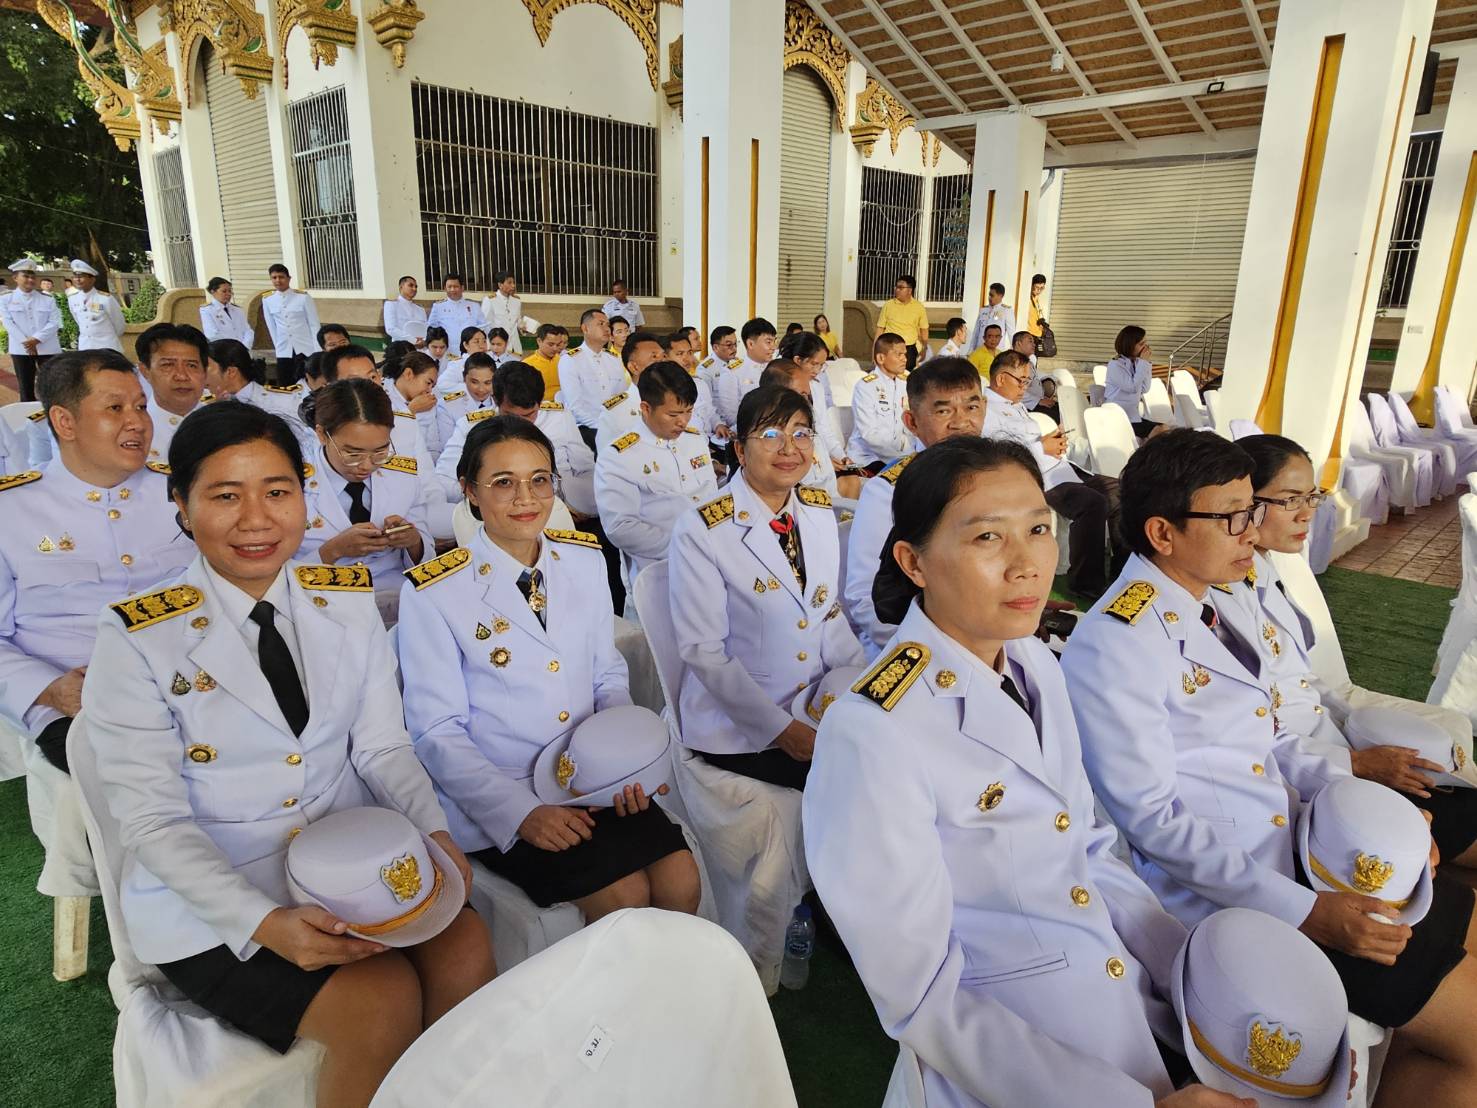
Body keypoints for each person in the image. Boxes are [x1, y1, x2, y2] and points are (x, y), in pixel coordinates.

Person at [803, 436, 1236, 1108]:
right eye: (986, 539)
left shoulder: (1030, 660)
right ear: (913, 561)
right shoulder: (871, 729)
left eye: (1038, 530)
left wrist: (1194, 976)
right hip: (1019, 1057)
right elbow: (919, 997)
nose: (1027, 564)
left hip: (1121, 995)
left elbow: (1086, 846)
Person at [82, 401, 491, 1102]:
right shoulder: (138, 636)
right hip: (213, 904)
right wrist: (262, 922)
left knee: (465, 946)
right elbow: (152, 822)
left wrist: (434, 831)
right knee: (380, 996)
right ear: (180, 504)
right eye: (224, 495)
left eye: (276, 491)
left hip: (349, 865)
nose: (257, 519)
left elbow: (384, 747)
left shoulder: (344, 598)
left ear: (303, 495)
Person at [1062, 430, 1477, 1103]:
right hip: (1240, 908)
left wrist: (1384, 825)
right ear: (1162, 533)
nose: (1249, 530)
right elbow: (1153, 825)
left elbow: (1275, 746)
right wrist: (1306, 911)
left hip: (1302, 858)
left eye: (1248, 510)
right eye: (1230, 516)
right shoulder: (1115, 643)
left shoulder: (1211, 603)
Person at [398, 415, 700, 921]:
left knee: (681, 879)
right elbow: (437, 731)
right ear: (469, 491)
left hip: (594, 777)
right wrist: (522, 814)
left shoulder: (582, 560)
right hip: (507, 795)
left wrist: (619, 761)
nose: (526, 498)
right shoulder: (435, 592)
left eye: (540, 480)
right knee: (624, 897)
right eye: (503, 483)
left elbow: (606, 674)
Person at [1234, 433, 1477, 874]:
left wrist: (1360, 735)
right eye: (1291, 499)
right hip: (1310, 784)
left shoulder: (1264, 572)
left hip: (1332, 753)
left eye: (1312, 495)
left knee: (1463, 803)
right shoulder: (1224, 598)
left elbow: (1302, 681)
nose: (1309, 512)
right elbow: (1252, 734)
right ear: (1242, 501)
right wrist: (1358, 765)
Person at [0, 349, 195, 772]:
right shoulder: (10, 511)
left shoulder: (183, 493)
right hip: (75, 700)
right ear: (64, 421)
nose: (137, 422)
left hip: (195, 678)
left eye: (141, 407)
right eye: (115, 408)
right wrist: (48, 689)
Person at [670, 385, 864, 790]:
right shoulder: (703, 529)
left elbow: (827, 614)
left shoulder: (815, 510)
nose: (789, 448)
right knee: (853, 787)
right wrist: (780, 730)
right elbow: (704, 651)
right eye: (771, 435)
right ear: (740, 450)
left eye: (801, 433)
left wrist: (863, 686)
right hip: (739, 727)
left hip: (816, 705)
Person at [844, 357, 985, 657]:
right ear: (912, 422)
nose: (961, 422)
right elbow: (865, 598)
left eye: (971, 407)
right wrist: (941, 650)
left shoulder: (997, 478)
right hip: (916, 650)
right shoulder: (890, 492)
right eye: (944, 410)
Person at [986, 350, 1120, 599]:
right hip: (1036, 479)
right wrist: (1041, 446)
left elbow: (1027, 440)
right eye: (1021, 380)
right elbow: (999, 453)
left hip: (1058, 467)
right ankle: (1085, 583)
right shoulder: (986, 410)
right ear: (1001, 378)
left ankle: (1122, 573)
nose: (1025, 387)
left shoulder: (1016, 406)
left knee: (1122, 492)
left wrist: (1051, 442)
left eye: (1028, 381)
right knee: (1092, 504)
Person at [300, 379, 431, 624]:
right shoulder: (292, 485)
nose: (367, 465)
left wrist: (413, 542)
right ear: (321, 434)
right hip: (319, 606)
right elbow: (271, 573)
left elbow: (426, 557)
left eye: (380, 452)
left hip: (399, 602)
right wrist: (332, 551)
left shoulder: (402, 478)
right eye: (353, 453)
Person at [594, 360, 717, 580]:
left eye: (688, 411)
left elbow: (711, 498)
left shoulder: (696, 441)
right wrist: (686, 546)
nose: (683, 421)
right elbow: (621, 528)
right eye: (673, 414)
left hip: (710, 563)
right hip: (658, 571)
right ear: (646, 408)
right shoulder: (618, 457)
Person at [434, 362, 596, 521]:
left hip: (563, 514)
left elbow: (587, 470)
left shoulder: (559, 417)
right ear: (495, 400)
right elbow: (444, 481)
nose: (521, 424)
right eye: (511, 415)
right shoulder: (470, 426)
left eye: (529, 415)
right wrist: (487, 495)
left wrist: (575, 503)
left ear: (540, 403)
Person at [757, 358, 839, 498]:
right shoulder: (765, 441)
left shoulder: (809, 432)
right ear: (777, 395)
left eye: (807, 395)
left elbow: (829, 485)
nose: (807, 402)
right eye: (801, 395)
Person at [138, 322, 211, 463]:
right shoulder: (131, 430)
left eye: (191, 365)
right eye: (167, 365)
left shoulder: (223, 425)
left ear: (205, 372)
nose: (182, 376)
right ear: (145, 371)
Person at [206, 338, 309, 436]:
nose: (201, 374)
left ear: (231, 372)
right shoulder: (204, 405)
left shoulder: (279, 403)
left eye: (206, 367)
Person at [847, 333, 912, 474]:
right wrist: (898, 459)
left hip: (902, 455)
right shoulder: (866, 386)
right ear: (881, 358)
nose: (904, 359)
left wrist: (911, 455)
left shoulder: (907, 382)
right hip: (869, 457)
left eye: (905, 354)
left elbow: (912, 426)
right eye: (898, 354)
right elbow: (869, 434)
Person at [562, 311, 629, 443]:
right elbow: (575, 407)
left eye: (608, 325)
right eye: (600, 324)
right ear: (585, 328)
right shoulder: (570, 360)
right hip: (587, 427)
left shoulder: (613, 359)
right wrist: (603, 426)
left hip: (614, 425)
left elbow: (622, 397)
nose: (607, 329)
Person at [594, 331, 665, 452]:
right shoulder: (615, 412)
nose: (663, 362)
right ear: (634, 367)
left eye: (663, 356)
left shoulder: (677, 401)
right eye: (654, 357)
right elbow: (607, 460)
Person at [1, 258, 61, 401]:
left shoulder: (47, 299)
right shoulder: (5, 299)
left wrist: (36, 339)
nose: (30, 279)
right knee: (26, 388)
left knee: (52, 385)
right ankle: (28, 419)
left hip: (47, 348)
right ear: (15, 277)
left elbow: (54, 322)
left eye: (32, 276)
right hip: (21, 349)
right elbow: (8, 323)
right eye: (26, 276)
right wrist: (27, 342)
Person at [260, 264, 322, 383]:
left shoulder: (302, 297)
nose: (278, 280)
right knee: (285, 383)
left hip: (305, 348)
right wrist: (278, 346)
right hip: (284, 349)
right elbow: (272, 327)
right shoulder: (267, 300)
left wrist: (317, 350)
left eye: (281, 277)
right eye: (274, 277)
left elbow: (314, 324)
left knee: (308, 383)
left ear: (289, 278)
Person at [716, 318, 777, 432]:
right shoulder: (732, 372)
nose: (773, 347)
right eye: (768, 342)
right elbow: (731, 415)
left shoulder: (777, 368)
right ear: (750, 344)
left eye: (774, 341)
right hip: (746, 431)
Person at [383, 349, 444, 460]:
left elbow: (433, 447)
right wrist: (410, 411)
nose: (429, 390)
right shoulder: (380, 396)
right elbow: (382, 440)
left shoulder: (427, 403)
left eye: (432, 386)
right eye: (428, 383)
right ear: (408, 374)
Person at [435, 350, 497, 454]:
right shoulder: (447, 406)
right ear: (464, 378)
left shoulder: (502, 403)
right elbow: (448, 449)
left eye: (487, 383)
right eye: (474, 382)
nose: (481, 389)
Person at [1106, 325, 1158, 438]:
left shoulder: (1136, 363)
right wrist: (1143, 363)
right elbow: (1132, 387)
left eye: (1145, 343)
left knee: (1165, 429)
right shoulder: (1115, 365)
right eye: (1141, 344)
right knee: (1159, 432)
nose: (1145, 348)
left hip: (1132, 416)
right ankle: (1146, 455)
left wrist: (1147, 364)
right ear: (1129, 346)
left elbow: (1145, 388)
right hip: (1118, 417)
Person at [67, 259, 126, 353]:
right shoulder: (72, 299)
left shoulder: (105, 299)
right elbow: (79, 321)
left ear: (92, 279)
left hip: (107, 346)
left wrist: (108, 337)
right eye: (75, 276)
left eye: (82, 276)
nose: (77, 279)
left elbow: (119, 324)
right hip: (86, 346)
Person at [875, 274, 929, 371]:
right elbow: (880, 329)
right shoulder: (888, 305)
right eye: (896, 287)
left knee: (907, 377)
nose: (897, 290)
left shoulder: (919, 307)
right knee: (889, 375)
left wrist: (924, 349)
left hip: (909, 349)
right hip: (889, 348)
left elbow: (924, 330)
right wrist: (875, 350)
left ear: (909, 290)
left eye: (901, 287)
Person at [479, 271, 538, 352]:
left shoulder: (516, 300)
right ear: (500, 285)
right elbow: (485, 325)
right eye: (509, 283)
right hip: (497, 346)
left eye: (513, 282)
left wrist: (522, 327)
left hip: (514, 345)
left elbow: (517, 320)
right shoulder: (490, 300)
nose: (513, 286)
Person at [199, 277, 255, 347]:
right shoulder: (207, 310)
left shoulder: (238, 309)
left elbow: (248, 331)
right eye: (224, 291)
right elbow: (212, 335)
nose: (228, 294)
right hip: (224, 351)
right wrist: (233, 348)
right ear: (213, 292)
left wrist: (245, 346)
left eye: (230, 291)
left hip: (243, 350)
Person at [526, 323, 573, 404]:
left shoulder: (564, 361)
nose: (555, 348)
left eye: (557, 344)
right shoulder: (527, 365)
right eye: (550, 344)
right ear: (539, 341)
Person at [427, 273, 483, 340]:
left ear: (462, 288)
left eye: (456, 286)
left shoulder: (474, 306)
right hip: (448, 348)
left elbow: (483, 327)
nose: (452, 289)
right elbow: (431, 329)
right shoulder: (438, 307)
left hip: (470, 348)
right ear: (445, 288)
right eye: (449, 287)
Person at [965, 282, 1016, 355]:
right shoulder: (983, 310)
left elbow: (1012, 335)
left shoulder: (1006, 311)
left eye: (992, 295)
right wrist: (970, 350)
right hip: (980, 350)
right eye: (989, 295)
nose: (989, 297)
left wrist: (1014, 354)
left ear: (1000, 296)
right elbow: (976, 333)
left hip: (995, 352)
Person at [436, 325, 489, 392]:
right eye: (476, 342)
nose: (482, 346)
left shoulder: (490, 362)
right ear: (466, 345)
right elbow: (442, 384)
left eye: (484, 341)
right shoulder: (457, 364)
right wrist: (470, 388)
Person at [383, 276, 427, 348]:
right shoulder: (391, 305)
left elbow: (425, 328)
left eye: (416, 286)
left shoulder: (420, 309)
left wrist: (424, 341)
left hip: (420, 349)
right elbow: (391, 329)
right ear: (401, 287)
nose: (414, 289)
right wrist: (414, 340)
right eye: (410, 285)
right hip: (400, 347)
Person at [697, 325, 739, 390]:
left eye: (735, 343)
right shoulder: (705, 370)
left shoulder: (738, 362)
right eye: (729, 345)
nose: (734, 348)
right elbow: (705, 399)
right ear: (715, 347)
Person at [1026, 272, 1048, 339]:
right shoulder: (1027, 299)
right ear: (1032, 285)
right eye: (1037, 287)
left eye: (1042, 288)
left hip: (1038, 334)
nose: (1039, 290)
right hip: (1030, 334)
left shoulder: (1038, 300)